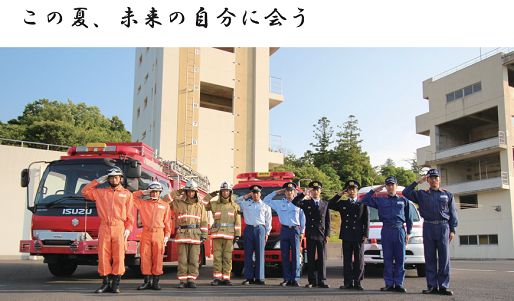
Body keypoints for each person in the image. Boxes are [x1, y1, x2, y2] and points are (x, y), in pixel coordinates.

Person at [402, 169, 458, 296]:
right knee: (430, 257)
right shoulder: (422, 194)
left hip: (443, 227)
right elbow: (406, 193)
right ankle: (432, 285)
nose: (433, 180)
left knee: (444, 258)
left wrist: (453, 229)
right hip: (428, 226)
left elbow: (453, 213)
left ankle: (443, 286)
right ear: (427, 180)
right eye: (430, 178)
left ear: (440, 179)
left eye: (435, 177)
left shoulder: (447, 194)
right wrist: (417, 182)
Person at [81, 166, 134, 293]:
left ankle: (116, 284)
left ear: (121, 178)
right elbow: (85, 192)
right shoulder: (101, 192)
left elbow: (130, 215)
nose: (114, 180)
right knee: (103, 255)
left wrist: (129, 228)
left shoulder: (127, 194)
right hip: (104, 226)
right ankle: (105, 283)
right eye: (111, 177)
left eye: (116, 177)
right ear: (108, 179)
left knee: (119, 256)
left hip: (119, 227)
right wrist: (97, 181)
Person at [361, 176, 413, 293]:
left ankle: (399, 284)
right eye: (388, 185)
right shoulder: (381, 200)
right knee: (388, 258)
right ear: (386, 187)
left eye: (392, 185)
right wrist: (374, 190)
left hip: (400, 230)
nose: (390, 187)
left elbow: (409, 218)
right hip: (386, 230)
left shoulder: (404, 201)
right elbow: (365, 200)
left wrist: (408, 232)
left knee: (400, 258)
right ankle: (389, 283)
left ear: (396, 185)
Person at [163, 180, 208, 288]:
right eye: (188, 191)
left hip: (196, 235)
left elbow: (204, 221)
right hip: (182, 235)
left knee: (193, 259)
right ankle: (182, 281)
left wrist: (204, 235)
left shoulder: (200, 205)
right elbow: (164, 201)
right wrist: (178, 192)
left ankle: (192, 280)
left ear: (195, 192)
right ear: (186, 191)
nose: (190, 193)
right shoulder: (178, 203)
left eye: (193, 191)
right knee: (182, 260)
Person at [328, 180, 369, 291]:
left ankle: (358, 282)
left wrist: (366, 234)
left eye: (353, 189)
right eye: (349, 190)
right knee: (347, 260)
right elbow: (330, 205)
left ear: (357, 191)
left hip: (358, 235)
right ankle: (347, 282)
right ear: (347, 191)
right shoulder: (343, 203)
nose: (352, 191)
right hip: (346, 235)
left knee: (359, 260)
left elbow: (366, 219)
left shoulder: (363, 203)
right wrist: (339, 195)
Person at [263, 182, 306, 287]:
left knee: (296, 255)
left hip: (295, 230)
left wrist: (302, 231)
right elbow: (265, 201)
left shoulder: (299, 203)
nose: (290, 193)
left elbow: (302, 218)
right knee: (285, 255)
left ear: (294, 192)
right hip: (284, 230)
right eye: (287, 191)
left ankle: (295, 279)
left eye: (291, 191)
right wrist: (275, 192)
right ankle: (286, 279)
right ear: (285, 192)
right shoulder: (279, 203)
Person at [132, 182, 172, 290]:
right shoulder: (143, 203)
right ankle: (146, 282)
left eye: (156, 191)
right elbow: (129, 198)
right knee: (145, 257)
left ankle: (155, 282)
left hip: (159, 233)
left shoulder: (165, 205)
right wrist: (141, 192)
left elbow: (168, 221)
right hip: (146, 233)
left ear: (160, 192)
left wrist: (167, 236)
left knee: (158, 258)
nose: (154, 194)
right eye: (152, 191)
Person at [291, 181, 331, 288]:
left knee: (322, 258)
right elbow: (294, 202)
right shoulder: (307, 203)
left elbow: (328, 221)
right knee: (311, 258)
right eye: (313, 190)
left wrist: (328, 234)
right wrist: (304, 193)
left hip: (322, 234)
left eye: (317, 190)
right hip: (311, 233)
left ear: (320, 191)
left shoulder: (325, 204)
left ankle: (322, 281)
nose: (316, 192)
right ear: (311, 191)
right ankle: (312, 281)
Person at [202, 182, 242, 286]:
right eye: (223, 191)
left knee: (227, 258)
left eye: (227, 191)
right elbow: (202, 204)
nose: (225, 193)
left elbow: (237, 222)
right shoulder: (214, 204)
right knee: (217, 257)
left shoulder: (235, 206)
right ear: (220, 192)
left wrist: (237, 234)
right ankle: (217, 278)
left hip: (229, 236)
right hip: (217, 235)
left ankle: (226, 278)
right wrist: (210, 195)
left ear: (230, 193)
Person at [235, 185, 272, 285]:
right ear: (251, 194)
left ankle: (259, 278)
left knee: (260, 254)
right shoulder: (246, 204)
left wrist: (267, 233)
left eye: (257, 193)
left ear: (260, 194)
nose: (255, 195)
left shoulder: (265, 206)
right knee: (248, 254)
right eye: (253, 193)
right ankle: (248, 277)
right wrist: (245, 197)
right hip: (249, 229)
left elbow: (268, 221)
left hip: (260, 229)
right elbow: (234, 202)